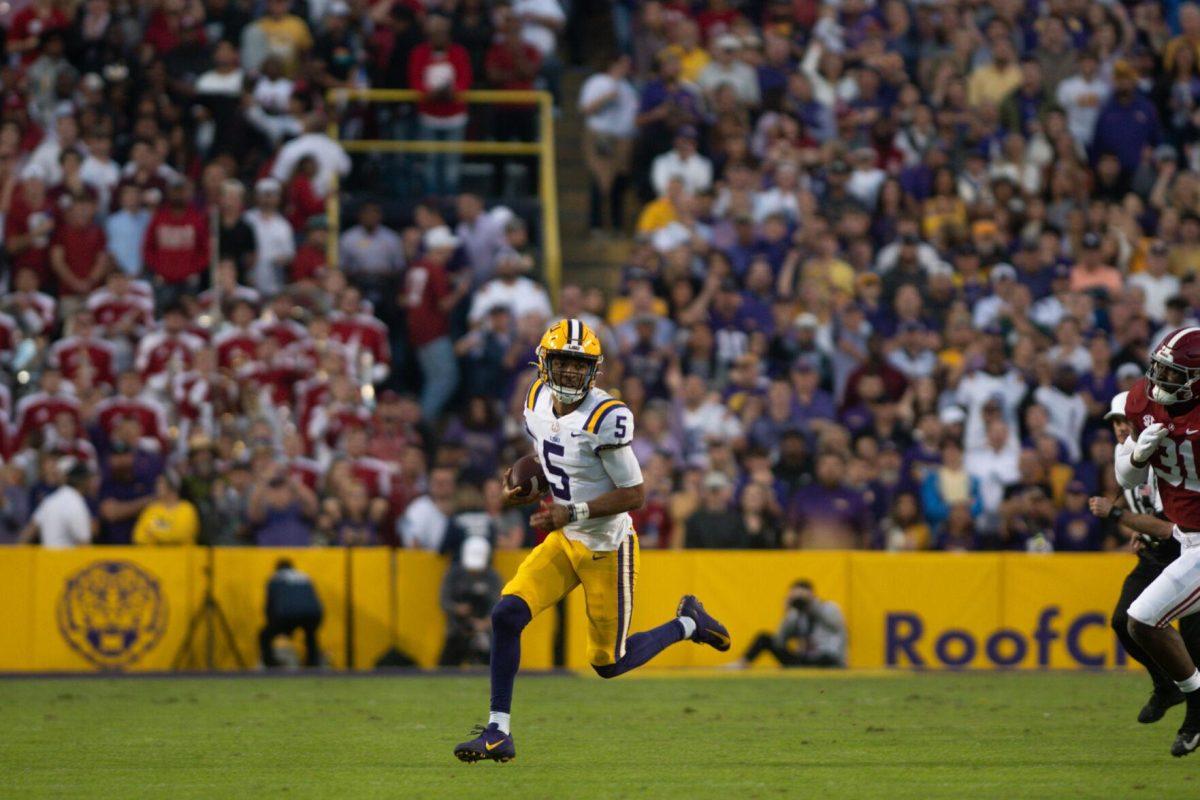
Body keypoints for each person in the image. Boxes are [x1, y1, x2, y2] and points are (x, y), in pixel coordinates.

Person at [454, 318, 730, 763]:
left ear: (593, 370)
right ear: (544, 364)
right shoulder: (535, 400)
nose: (567, 374)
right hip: (564, 537)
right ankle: (497, 732)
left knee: (607, 663)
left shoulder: (608, 416)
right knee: (506, 615)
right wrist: (528, 487)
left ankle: (689, 624)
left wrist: (572, 510)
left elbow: (636, 494)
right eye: (561, 363)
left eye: (577, 366)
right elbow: (552, 456)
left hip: (606, 547)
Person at [1091, 391, 1200, 723]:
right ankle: (1165, 685)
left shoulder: (1163, 451)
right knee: (1124, 620)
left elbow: (1168, 526)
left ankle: (1189, 704)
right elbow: (1135, 497)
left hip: (1181, 552)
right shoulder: (1125, 452)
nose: (1121, 428)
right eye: (1116, 423)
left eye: (1125, 420)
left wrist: (1117, 517)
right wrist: (1132, 519)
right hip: (1153, 555)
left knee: (1192, 644)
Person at [1116, 328, 1200, 756]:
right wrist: (1136, 455)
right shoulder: (1142, 401)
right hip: (1188, 539)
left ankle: (1197, 702)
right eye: (1160, 368)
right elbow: (1125, 478)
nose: (1160, 379)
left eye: (1173, 373)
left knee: (1142, 619)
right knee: (1139, 622)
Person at [737, 579, 847, 668]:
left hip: (828, 659)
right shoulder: (796, 614)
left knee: (825, 658)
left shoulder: (829, 607)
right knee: (764, 638)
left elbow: (837, 625)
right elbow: (779, 641)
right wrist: (787, 613)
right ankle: (742, 663)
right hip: (804, 660)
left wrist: (810, 604)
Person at [439, 537, 502, 666]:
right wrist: (458, 609)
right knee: (447, 665)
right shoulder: (454, 575)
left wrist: (485, 623)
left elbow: (500, 605)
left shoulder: (493, 578)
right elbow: (444, 600)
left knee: (493, 665)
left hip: (485, 632)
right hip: (457, 631)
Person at [260, 558, 324, 668]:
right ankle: (313, 663)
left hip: (286, 614)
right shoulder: (304, 576)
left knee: (264, 636)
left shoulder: (275, 578)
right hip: (313, 614)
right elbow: (313, 600)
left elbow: (270, 604)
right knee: (310, 635)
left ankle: (271, 665)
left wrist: (277, 626)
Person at [18, 461, 93, 547]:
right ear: (83, 481)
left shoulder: (51, 500)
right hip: (67, 559)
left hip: (46, 558)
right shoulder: (76, 503)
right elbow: (84, 543)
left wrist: (15, 556)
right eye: (88, 479)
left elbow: (29, 532)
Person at [132, 470, 200, 545]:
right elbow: (139, 537)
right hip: (155, 555)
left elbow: (181, 534)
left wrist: (155, 535)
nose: (157, 486)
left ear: (172, 486)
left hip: (181, 555)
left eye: (161, 483)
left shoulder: (187, 508)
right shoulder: (151, 509)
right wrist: (166, 532)